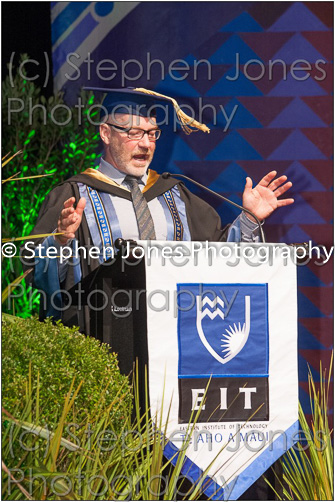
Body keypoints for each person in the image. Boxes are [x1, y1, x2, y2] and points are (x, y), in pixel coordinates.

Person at [26, 87, 294, 326]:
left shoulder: (175, 195)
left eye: (152, 134)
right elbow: (37, 276)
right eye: (134, 133)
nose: (145, 144)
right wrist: (60, 241)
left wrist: (249, 218)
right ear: (106, 133)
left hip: (171, 334)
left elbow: (220, 256)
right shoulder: (73, 195)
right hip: (99, 334)